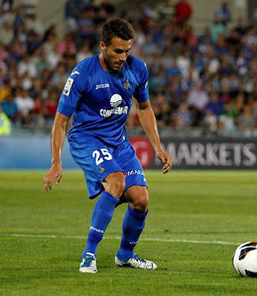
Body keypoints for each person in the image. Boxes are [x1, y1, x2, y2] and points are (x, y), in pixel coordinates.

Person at [43, 18, 173, 273]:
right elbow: (60, 122)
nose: (123, 57)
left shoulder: (138, 69)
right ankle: (89, 254)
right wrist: (56, 162)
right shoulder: (83, 73)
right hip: (86, 139)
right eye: (117, 51)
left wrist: (158, 147)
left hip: (118, 141)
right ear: (103, 46)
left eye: (127, 51)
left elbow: (144, 108)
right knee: (116, 181)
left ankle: (125, 255)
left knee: (141, 199)